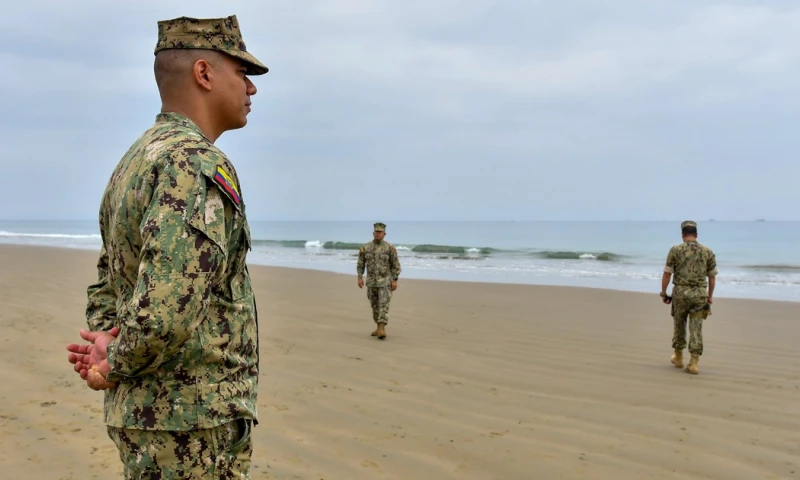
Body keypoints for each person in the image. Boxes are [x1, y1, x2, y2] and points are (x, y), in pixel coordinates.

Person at [65, 14, 268, 478]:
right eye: (243, 73)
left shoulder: (135, 160)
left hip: (150, 416)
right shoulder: (194, 163)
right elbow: (166, 307)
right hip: (189, 421)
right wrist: (112, 360)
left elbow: (109, 281)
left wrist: (105, 341)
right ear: (204, 73)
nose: (252, 89)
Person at [660, 220, 718, 375]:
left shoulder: (675, 250)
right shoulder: (707, 251)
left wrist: (663, 293)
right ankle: (693, 362)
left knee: (679, 324)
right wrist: (710, 296)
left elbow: (667, 273)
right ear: (696, 235)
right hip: (699, 294)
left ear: (682, 235)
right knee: (696, 328)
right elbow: (712, 278)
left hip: (680, 294)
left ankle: (678, 357)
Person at [357, 222, 402, 339]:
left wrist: (395, 280)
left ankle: (382, 329)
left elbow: (396, 265)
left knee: (383, 305)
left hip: (385, 281)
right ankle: (378, 327)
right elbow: (361, 264)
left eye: (380, 232)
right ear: (373, 233)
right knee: (374, 305)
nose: (378, 234)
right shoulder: (365, 247)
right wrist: (360, 277)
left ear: (384, 234)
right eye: (376, 232)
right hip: (371, 282)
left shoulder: (389, 248)